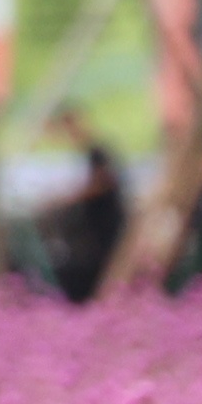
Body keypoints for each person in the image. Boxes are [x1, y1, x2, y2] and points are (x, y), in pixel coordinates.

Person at [33, 105, 128, 303]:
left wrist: (68, 198)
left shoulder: (98, 151)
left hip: (106, 223)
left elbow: (103, 182)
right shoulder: (92, 152)